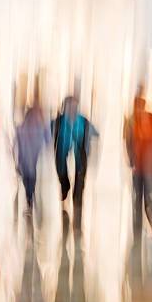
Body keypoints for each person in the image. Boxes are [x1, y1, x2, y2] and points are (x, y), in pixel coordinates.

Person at [124, 95, 152, 277]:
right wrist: (131, 160)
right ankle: (139, 229)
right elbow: (129, 142)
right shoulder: (134, 121)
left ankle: (149, 227)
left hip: (145, 166)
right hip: (140, 166)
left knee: (146, 197)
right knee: (140, 197)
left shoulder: (150, 121)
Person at [52, 96, 97, 232]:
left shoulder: (82, 121)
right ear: (64, 107)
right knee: (61, 168)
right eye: (69, 106)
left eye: (74, 106)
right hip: (62, 149)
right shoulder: (59, 121)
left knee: (80, 171)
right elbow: (49, 129)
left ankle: (77, 197)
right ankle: (65, 185)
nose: (72, 109)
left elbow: (94, 132)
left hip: (80, 151)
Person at [15, 94, 50, 211]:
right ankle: (30, 197)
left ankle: (30, 198)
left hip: (29, 159)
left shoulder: (28, 127)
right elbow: (48, 140)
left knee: (29, 178)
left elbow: (47, 140)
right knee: (30, 178)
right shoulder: (30, 127)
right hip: (29, 158)